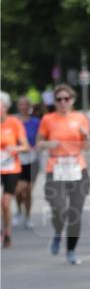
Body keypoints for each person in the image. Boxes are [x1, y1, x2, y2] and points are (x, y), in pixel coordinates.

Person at [36, 83, 90, 265]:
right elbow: (38, 144)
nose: (62, 102)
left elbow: (88, 146)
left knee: (75, 213)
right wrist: (46, 144)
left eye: (66, 99)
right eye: (59, 99)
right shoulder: (48, 119)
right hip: (56, 168)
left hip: (77, 167)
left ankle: (71, 250)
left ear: (72, 100)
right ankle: (58, 232)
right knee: (59, 209)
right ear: (55, 102)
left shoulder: (80, 118)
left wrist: (86, 136)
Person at [0, 92, 29, 248]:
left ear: (5, 107)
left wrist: (16, 148)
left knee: (5, 204)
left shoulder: (14, 123)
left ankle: (7, 233)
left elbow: (25, 147)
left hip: (10, 168)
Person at [15, 96, 40, 229]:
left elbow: (40, 138)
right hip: (17, 159)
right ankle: (19, 210)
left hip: (32, 159)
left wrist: (35, 146)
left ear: (29, 107)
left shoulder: (35, 122)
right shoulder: (13, 121)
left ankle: (28, 216)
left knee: (28, 190)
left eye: (26, 105)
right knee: (18, 190)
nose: (24, 107)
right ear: (18, 106)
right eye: (21, 105)